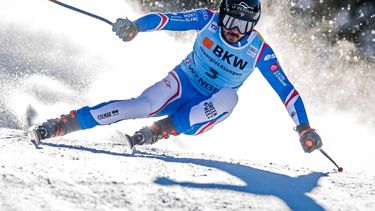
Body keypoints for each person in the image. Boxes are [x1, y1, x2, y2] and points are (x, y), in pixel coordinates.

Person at [29, 0, 322, 153]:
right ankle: (62, 124)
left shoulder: (259, 51)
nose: (234, 30)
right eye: (230, 21)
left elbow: (287, 92)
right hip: (182, 82)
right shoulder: (207, 19)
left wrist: (304, 129)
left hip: (208, 109)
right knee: (139, 106)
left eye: (243, 26)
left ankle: (162, 129)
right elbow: (166, 19)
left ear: (253, 26)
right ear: (222, 14)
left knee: (230, 97)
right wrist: (136, 26)